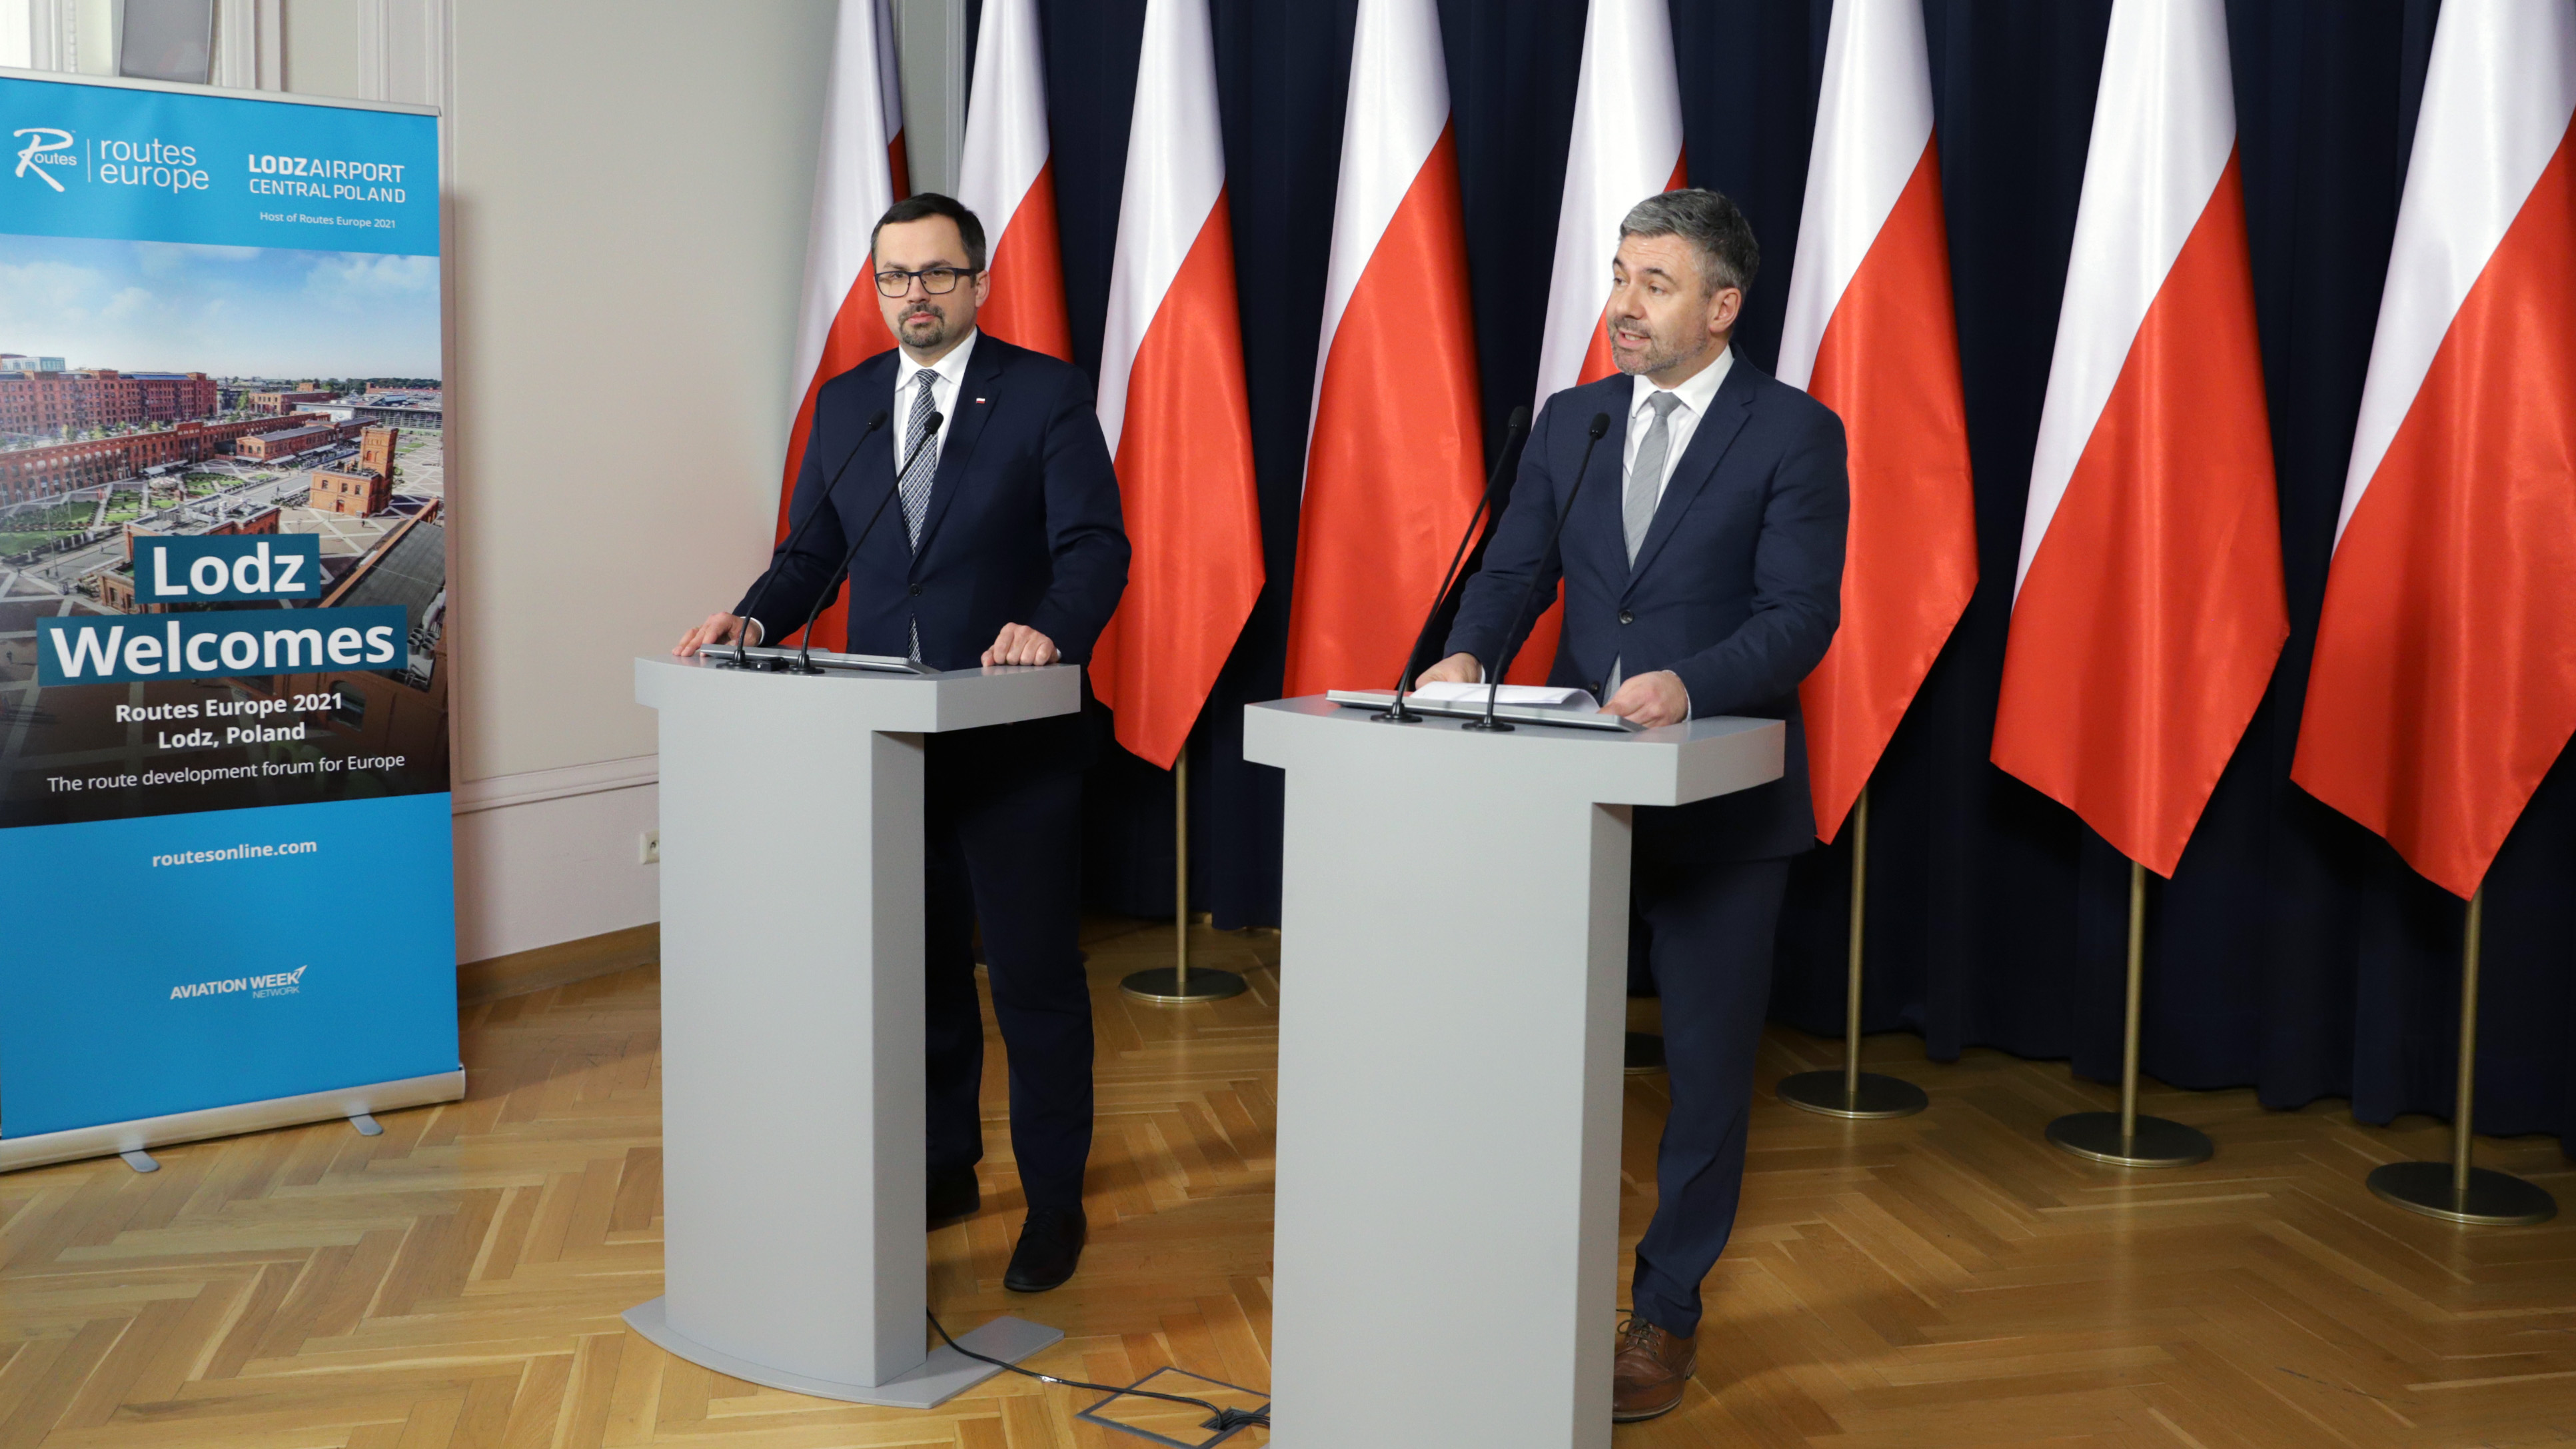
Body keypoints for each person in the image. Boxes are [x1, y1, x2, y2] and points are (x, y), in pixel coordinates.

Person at [1417, 188, 1847, 1422]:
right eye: (1618, 275)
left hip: (1716, 811)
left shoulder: (1792, 432)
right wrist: (1467, 653)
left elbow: (1798, 616)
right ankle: (1517, 1286)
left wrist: (1686, 684)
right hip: (1564, 803)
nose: (1622, 304)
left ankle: (1665, 1311)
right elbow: (1514, 571)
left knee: (1703, 1079)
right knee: (1535, 1054)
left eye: (1654, 284)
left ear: (1722, 306)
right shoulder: (1573, 420)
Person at [674, 193, 1128, 1293]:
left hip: (1010, 737)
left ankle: (1053, 1205)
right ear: (876, 287)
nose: (914, 294)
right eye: (894, 276)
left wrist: (1049, 627)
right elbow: (812, 554)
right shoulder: (845, 405)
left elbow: (1095, 547)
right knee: (919, 976)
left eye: (936, 272)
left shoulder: (1045, 394)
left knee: (1030, 981)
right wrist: (752, 619)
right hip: (883, 747)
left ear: (979, 281)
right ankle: (943, 1169)